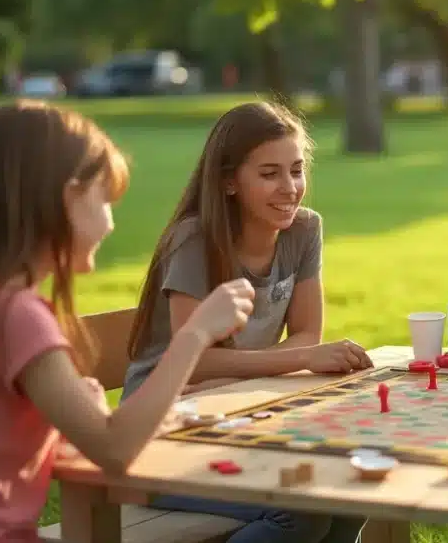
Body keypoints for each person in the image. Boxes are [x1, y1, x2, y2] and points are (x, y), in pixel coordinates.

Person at [0, 101, 255, 543]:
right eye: (105, 200)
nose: (111, 223)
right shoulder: (14, 315)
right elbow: (114, 449)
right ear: (67, 197)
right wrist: (195, 333)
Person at [123, 101, 369, 543]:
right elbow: (192, 363)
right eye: (270, 173)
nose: (290, 188)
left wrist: (234, 380)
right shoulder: (194, 240)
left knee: (347, 494)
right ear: (229, 181)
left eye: (296, 170)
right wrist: (295, 359)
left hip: (236, 416)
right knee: (300, 512)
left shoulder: (303, 231)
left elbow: (307, 334)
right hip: (158, 437)